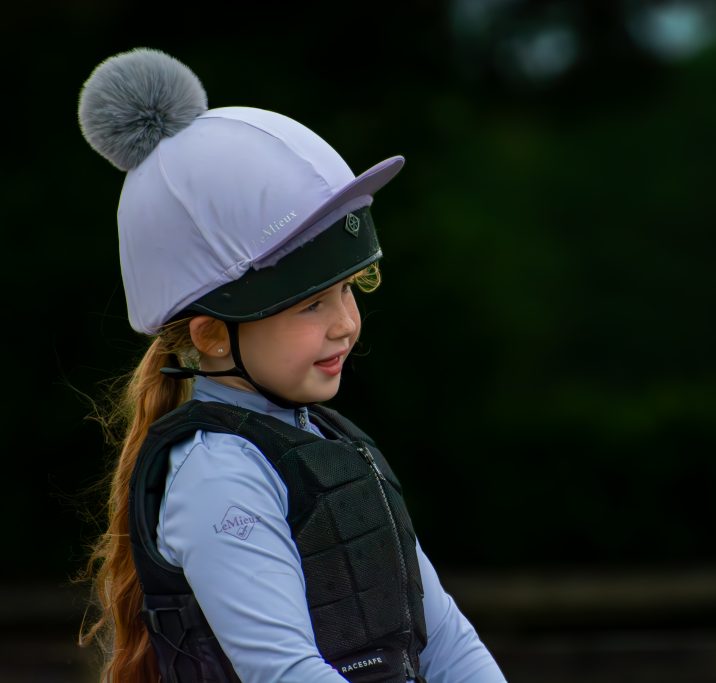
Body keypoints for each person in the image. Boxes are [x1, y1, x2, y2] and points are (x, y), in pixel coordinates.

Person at [77, 47, 507, 683]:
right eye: (311, 303)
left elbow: (446, 640)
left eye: (350, 288)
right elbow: (285, 672)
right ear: (212, 336)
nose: (346, 323)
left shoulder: (332, 444)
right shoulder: (218, 475)